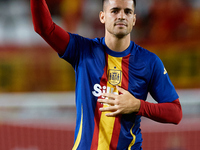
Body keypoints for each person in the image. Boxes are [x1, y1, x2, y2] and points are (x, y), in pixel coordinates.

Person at [31, 0, 182, 149]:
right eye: (115, 11)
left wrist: (137, 105)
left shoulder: (149, 62)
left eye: (128, 12)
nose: (122, 16)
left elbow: (175, 113)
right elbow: (44, 28)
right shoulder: (82, 51)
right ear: (102, 17)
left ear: (134, 19)